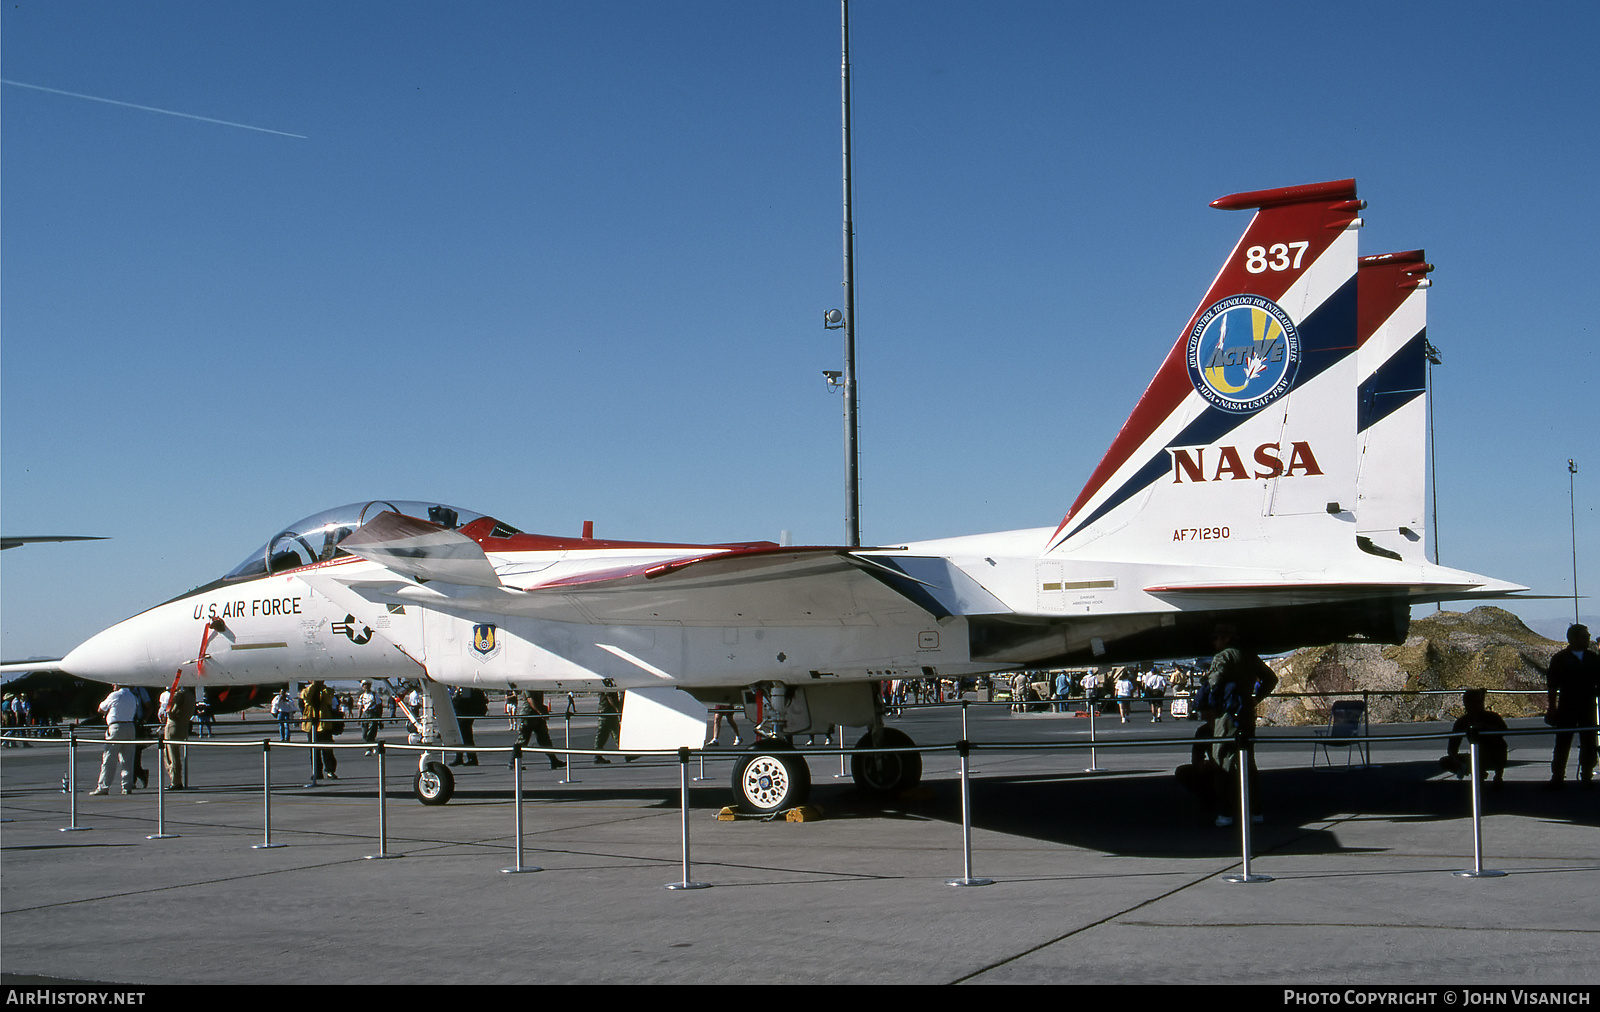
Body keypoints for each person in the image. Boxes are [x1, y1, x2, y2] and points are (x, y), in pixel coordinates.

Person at [1197, 623, 1278, 826]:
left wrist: (1211, 706)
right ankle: (1255, 811)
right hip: (1246, 714)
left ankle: (1225, 813)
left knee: (1221, 760)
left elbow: (1215, 682)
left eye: (1216, 638)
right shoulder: (1250, 655)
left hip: (1226, 716)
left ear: (1225, 638)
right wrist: (1255, 699)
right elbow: (1271, 679)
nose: (1214, 642)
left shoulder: (1223, 657)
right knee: (1247, 761)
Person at [1543, 624, 1600, 790]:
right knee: (1562, 741)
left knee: (1589, 741)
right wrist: (1552, 708)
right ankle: (1558, 776)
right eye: (1585, 636)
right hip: (1567, 705)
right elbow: (1552, 686)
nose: (1588, 638)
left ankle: (1587, 775)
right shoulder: (1560, 659)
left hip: (1588, 705)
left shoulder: (1593, 658)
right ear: (1574, 638)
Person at [1439, 688, 1508, 788]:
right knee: (1445, 761)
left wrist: (1485, 727)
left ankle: (1497, 776)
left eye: (1479, 702)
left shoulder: (1492, 717)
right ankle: (1478, 773)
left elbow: (1503, 731)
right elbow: (1452, 746)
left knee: (1498, 747)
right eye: (1472, 703)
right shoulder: (1463, 722)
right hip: (1477, 755)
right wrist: (1456, 761)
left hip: (1495, 755)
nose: (1477, 705)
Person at [91, 684, 140, 795]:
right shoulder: (132, 696)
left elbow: (101, 709)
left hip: (116, 727)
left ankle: (103, 786)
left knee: (109, 758)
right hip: (130, 726)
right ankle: (127, 786)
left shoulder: (115, 695)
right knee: (127, 759)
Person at [510, 691, 566, 769]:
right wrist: (540, 712)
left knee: (545, 739)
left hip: (537, 715)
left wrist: (542, 711)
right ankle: (513, 762)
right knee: (523, 740)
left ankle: (553, 760)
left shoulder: (536, 686)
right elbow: (530, 700)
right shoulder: (529, 686)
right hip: (529, 715)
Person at [300, 679, 339, 786]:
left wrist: (322, 687)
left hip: (324, 724)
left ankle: (330, 770)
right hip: (311, 725)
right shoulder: (306, 690)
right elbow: (306, 697)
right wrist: (313, 685)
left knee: (327, 748)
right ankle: (317, 772)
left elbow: (328, 700)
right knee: (314, 750)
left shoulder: (327, 690)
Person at [161, 684, 197, 790]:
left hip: (173, 726)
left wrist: (167, 712)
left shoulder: (179, 695)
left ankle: (175, 781)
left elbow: (172, 711)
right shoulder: (191, 696)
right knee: (175, 754)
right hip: (183, 726)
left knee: (171, 755)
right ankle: (176, 780)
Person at [450, 687, 487, 766]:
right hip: (465, 715)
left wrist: (453, 701)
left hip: (464, 715)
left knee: (465, 738)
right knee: (465, 738)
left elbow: (463, 702)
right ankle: (463, 758)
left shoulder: (465, 689)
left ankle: (469, 758)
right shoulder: (465, 689)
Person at [592, 691, 633, 763]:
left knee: (615, 734)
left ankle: (626, 753)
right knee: (605, 735)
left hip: (608, 713)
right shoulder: (608, 688)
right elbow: (610, 697)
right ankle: (597, 755)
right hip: (607, 713)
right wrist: (618, 709)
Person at [357, 681, 382, 755]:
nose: (366, 686)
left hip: (373, 714)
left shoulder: (374, 695)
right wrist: (358, 718)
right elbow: (360, 707)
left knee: (371, 733)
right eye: (364, 685)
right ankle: (374, 745)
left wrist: (380, 718)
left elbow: (379, 706)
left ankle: (368, 749)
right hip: (365, 715)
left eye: (367, 685)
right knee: (364, 734)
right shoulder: (362, 696)